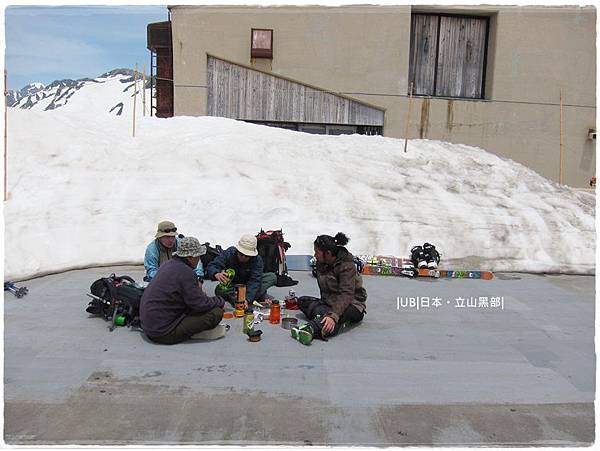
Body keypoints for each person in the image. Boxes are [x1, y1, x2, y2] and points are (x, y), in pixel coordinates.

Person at [140, 237, 227, 345]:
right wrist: (219, 301)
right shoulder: (186, 272)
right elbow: (199, 304)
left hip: (150, 325)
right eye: (198, 256)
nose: (199, 259)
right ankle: (192, 333)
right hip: (163, 333)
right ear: (190, 257)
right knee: (216, 313)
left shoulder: (168, 264)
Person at [291, 232, 367, 345]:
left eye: (317, 252)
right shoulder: (322, 263)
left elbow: (346, 294)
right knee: (302, 301)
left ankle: (311, 328)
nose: (315, 255)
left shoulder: (346, 266)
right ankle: (326, 319)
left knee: (332, 318)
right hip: (330, 303)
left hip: (352, 305)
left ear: (328, 253)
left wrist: (333, 315)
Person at [206, 233, 277, 305]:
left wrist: (247, 299)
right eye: (241, 254)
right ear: (237, 250)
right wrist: (216, 273)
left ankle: (238, 297)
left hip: (249, 284)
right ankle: (254, 296)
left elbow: (255, 281)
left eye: (247, 256)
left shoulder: (257, 260)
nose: (243, 257)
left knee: (271, 277)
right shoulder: (229, 253)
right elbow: (213, 265)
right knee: (219, 290)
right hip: (233, 285)